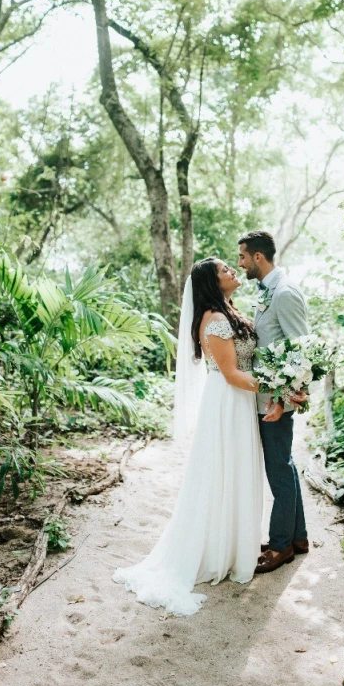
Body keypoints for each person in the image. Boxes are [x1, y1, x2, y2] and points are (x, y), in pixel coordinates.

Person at [112, 257, 264, 616]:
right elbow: (231, 373)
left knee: (236, 471)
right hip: (228, 401)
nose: (232, 271)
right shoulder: (213, 320)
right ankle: (214, 551)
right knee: (222, 472)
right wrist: (281, 387)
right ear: (212, 283)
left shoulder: (229, 311)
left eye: (231, 266)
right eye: (225, 270)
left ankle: (233, 547)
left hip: (240, 402)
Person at [238, 231, 309, 574]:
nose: (240, 263)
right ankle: (298, 537)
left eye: (242, 257)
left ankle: (281, 547)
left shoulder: (284, 293)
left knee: (278, 471)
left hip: (275, 403)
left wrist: (282, 402)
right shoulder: (266, 291)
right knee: (284, 466)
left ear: (258, 258)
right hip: (266, 398)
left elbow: (301, 352)